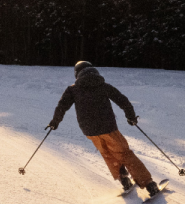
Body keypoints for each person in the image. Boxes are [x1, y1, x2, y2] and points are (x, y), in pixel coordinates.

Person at [48, 61, 159, 197]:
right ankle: (149, 184)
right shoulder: (103, 86)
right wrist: (131, 117)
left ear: (77, 74)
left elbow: (61, 107)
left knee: (107, 154)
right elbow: (123, 101)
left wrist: (55, 122)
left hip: (90, 131)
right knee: (124, 153)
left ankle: (124, 180)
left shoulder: (72, 89)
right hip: (108, 128)